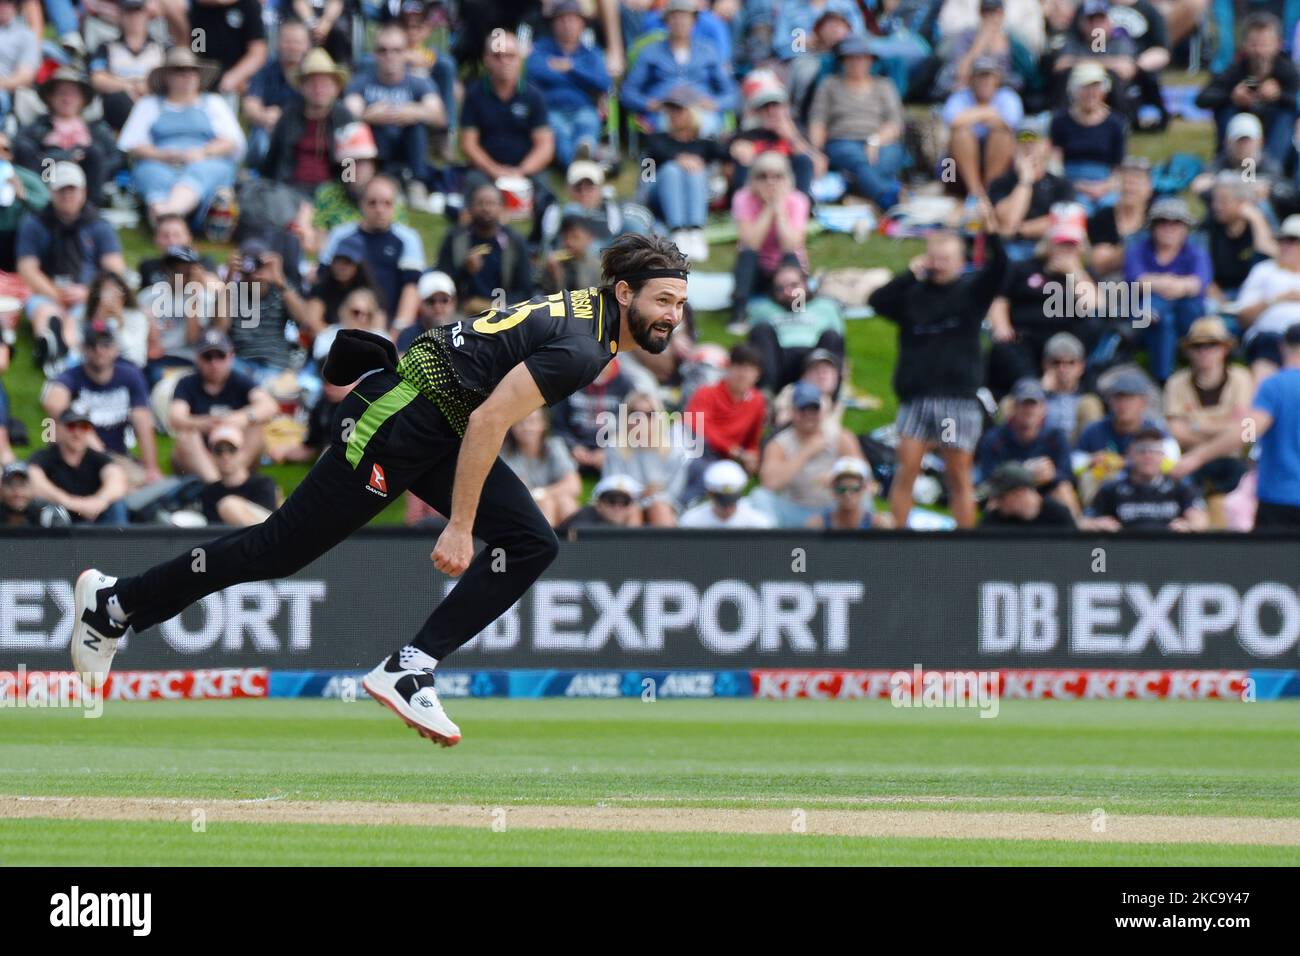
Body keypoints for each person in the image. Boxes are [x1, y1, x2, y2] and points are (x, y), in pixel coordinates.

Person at [71, 233, 693, 747]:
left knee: (532, 541)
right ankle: (114, 603)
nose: (672, 315)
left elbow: (479, 401)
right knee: (279, 549)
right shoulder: (585, 346)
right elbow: (488, 422)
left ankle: (410, 668)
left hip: (433, 420)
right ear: (623, 293)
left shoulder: (589, 315)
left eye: (680, 305)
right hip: (402, 416)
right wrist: (458, 525)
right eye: (664, 300)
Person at [868, 214, 1006, 528]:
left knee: (958, 474)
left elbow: (1000, 270)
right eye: (934, 258)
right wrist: (909, 275)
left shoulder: (971, 292)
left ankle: (963, 543)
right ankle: (895, 540)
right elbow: (876, 301)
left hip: (956, 399)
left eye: (946, 259)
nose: (939, 264)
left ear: (960, 262)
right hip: (917, 396)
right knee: (907, 470)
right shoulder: (912, 294)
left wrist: (994, 235)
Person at [1172, 322, 1300, 530]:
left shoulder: (1275, 386)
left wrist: (1197, 456)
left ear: (1282, 347)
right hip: (1281, 494)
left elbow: (1248, 431)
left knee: (1274, 562)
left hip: (1281, 496)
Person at [17, 161, 126, 372]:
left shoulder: (99, 225)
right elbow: (27, 267)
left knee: (84, 313)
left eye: (71, 190)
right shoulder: (35, 223)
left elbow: (114, 268)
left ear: (83, 192)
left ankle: (66, 352)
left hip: (87, 293)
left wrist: (88, 292)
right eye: (61, 190)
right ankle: (50, 346)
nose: (66, 196)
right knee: (45, 312)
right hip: (46, 291)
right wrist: (55, 294)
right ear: (51, 192)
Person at [117, 48, 246, 225]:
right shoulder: (149, 104)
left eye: (192, 71)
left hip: (204, 160)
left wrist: (204, 152)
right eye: (179, 71)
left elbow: (232, 141)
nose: (187, 76)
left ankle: (167, 216)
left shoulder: (213, 103)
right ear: (167, 77)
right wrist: (164, 155)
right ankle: (174, 219)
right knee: (151, 174)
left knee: (203, 172)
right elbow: (131, 143)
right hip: (160, 160)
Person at [987, 218, 1100, 397]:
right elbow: (1000, 299)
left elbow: (1093, 305)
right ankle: (1031, 391)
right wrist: (1002, 327)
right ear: (1049, 244)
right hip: (1023, 336)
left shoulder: (1085, 273)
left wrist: (1074, 273)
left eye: (1071, 245)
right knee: (1005, 350)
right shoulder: (1023, 268)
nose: (1066, 250)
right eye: (1061, 244)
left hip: (1065, 337)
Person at [42, 319, 160, 486]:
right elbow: (53, 403)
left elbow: (143, 420)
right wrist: (90, 439)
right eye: (92, 345)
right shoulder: (72, 376)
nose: (99, 350)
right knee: (56, 425)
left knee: (147, 487)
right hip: (80, 454)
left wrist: (151, 468)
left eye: (105, 344)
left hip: (117, 455)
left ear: (115, 348)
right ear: (83, 348)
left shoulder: (130, 375)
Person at [343, 23, 446, 204]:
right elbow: (347, 114)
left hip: (408, 145)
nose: (389, 56)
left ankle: (417, 184)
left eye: (397, 50)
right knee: (361, 127)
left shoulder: (419, 82)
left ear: (406, 53)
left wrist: (414, 112)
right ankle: (379, 183)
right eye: (383, 50)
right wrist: (368, 116)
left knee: (416, 124)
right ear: (375, 54)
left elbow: (440, 117)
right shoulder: (362, 81)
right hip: (376, 149)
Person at [1163, 316, 1254, 505]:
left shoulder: (1241, 378)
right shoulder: (1177, 382)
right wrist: (1226, 431)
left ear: (1224, 348)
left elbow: (1247, 433)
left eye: (1212, 345)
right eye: (1197, 346)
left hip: (1230, 463)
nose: (1204, 351)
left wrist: (1196, 426)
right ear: (1188, 351)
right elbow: (1175, 432)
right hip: (1189, 465)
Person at [808, 36, 906, 211]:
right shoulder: (829, 85)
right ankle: (888, 196)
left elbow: (895, 122)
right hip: (842, 140)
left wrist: (875, 141)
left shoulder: (884, 85)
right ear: (843, 61)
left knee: (885, 159)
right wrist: (816, 151)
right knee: (860, 161)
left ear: (870, 61)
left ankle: (868, 192)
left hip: (881, 141)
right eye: (851, 58)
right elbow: (818, 119)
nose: (856, 63)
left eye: (861, 58)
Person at [749, 381, 864, 527]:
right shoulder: (779, 444)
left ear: (821, 412)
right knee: (759, 496)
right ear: (793, 412)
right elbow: (770, 483)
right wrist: (806, 451)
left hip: (833, 512)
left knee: (863, 498)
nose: (809, 415)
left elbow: (864, 476)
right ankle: (771, 546)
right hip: (794, 510)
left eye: (814, 410)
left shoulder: (841, 438)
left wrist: (837, 477)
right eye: (803, 410)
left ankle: (860, 544)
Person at [169, 330, 277, 482]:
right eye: (208, 357)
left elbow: (269, 406)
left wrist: (241, 418)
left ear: (231, 357)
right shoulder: (187, 383)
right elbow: (176, 418)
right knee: (187, 435)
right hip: (202, 454)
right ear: (198, 359)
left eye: (220, 356)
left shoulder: (241, 380)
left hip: (236, 452)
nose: (214, 363)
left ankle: (233, 476)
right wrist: (204, 423)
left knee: (257, 428)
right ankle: (217, 484)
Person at [319, 175, 424, 330]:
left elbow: (411, 288)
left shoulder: (408, 239)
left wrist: (398, 330)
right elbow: (322, 279)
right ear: (361, 204)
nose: (379, 209)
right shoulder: (340, 235)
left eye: (387, 203)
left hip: (386, 326)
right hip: (340, 324)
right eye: (372, 203)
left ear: (395, 206)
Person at [1125, 196, 1211, 383]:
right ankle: (1164, 379)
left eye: (1176, 223)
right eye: (1162, 222)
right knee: (1165, 320)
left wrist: (1161, 286)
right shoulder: (1139, 249)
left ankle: (1154, 309)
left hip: (1187, 316)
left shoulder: (1196, 252)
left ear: (1185, 228)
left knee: (1167, 308)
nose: (1169, 228)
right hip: (1150, 325)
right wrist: (1175, 284)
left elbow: (1199, 283)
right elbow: (1134, 279)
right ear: (1152, 227)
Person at [620, 0, 736, 137]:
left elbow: (731, 93)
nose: (680, 22)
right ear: (666, 21)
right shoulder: (650, 51)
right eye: (675, 17)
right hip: (664, 114)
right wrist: (648, 104)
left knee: (707, 125)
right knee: (667, 126)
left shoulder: (708, 51)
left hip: (701, 112)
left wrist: (715, 104)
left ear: (694, 22)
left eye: (685, 17)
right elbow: (628, 92)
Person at [1196, 11, 1298, 165]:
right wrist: (1233, 96)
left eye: (1264, 44)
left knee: (1286, 113)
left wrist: (1280, 95)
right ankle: (1231, 163)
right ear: (1244, 45)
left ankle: (1272, 167)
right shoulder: (1236, 70)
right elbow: (1202, 99)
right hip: (1242, 129)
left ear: (1278, 44)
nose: (1259, 51)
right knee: (1225, 109)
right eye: (1254, 44)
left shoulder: (1287, 70)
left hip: (1276, 132)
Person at [641, 86, 729, 261]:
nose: (673, 114)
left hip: (700, 193)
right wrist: (678, 159)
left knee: (696, 170)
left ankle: (695, 231)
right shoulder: (657, 140)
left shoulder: (705, 144)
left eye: (679, 109)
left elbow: (728, 155)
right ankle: (678, 231)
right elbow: (646, 172)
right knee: (673, 170)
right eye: (670, 110)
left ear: (692, 112)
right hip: (657, 195)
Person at [14, 67, 121, 208]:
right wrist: (66, 157)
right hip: (48, 177)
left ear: (83, 100)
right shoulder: (38, 127)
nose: (67, 99)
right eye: (61, 93)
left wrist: (94, 168)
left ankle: (89, 210)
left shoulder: (96, 129)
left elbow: (116, 157)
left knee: (94, 153)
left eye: (73, 94)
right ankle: (45, 206)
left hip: (85, 183)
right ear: (50, 97)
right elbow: (24, 153)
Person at [976, 377, 1080, 513]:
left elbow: (1068, 475)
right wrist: (1024, 472)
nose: (1029, 410)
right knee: (993, 502)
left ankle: (1077, 530)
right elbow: (987, 479)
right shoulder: (994, 438)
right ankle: (989, 533)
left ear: (1044, 408)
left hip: (1046, 493)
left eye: (1034, 404)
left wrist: (1052, 474)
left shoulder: (1055, 436)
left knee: (1063, 490)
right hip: (1010, 494)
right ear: (1014, 407)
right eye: (1024, 404)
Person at [527, 0, 611, 167]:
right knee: (560, 132)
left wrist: (571, 68)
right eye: (562, 20)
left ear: (582, 24)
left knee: (586, 128)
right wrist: (581, 77)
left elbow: (603, 82)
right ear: (553, 24)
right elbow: (533, 72)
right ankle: (579, 170)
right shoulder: (540, 48)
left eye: (572, 20)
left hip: (583, 109)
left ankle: (578, 168)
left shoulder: (592, 52)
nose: (567, 25)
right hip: (550, 110)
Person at [731, 152, 810, 325]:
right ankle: (739, 315)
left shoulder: (798, 200)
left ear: (787, 178)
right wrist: (768, 208)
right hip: (756, 269)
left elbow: (792, 244)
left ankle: (798, 310)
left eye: (777, 176)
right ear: (753, 179)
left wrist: (780, 210)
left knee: (791, 258)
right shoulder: (743, 198)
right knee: (747, 254)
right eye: (763, 176)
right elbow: (750, 242)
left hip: (786, 267)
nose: (770, 182)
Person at [683, 342, 766, 502]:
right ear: (728, 368)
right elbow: (699, 427)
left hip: (728, 459)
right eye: (739, 366)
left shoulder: (757, 401)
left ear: (758, 374)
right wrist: (732, 450)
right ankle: (681, 506)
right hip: (698, 451)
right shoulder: (706, 393)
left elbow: (752, 440)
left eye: (750, 369)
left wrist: (751, 457)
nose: (743, 374)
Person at [1081, 426, 1207, 530]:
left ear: (1163, 456)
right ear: (1129, 454)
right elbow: (1083, 522)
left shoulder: (1180, 488)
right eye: (1142, 450)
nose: (1148, 456)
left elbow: (1201, 520)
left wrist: (1190, 525)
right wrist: (1096, 524)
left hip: (1168, 552)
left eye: (1154, 450)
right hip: (1123, 552)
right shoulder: (1111, 490)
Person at [435, 182, 531, 316]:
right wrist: (465, 271)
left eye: (491, 203)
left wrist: (493, 307)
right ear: (470, 207)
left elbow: (525, 290)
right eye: (480, 203)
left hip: (505, 313)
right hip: (461, 313)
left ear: (501, 208)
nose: (486, 208)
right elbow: (441, 282)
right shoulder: (455, 238)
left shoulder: (515, 242)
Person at [745, 263, 844, 391]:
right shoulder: (762, 310)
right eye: (780, 288)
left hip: (814, 358)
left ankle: (825, 396)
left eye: (793, 286)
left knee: (831, 336)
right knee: (761, 330)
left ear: (806, 284)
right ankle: (766, 394)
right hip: (776, 360)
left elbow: (839, 349)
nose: (787, 292)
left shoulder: (826, 307)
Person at [990, 114, 1075, 261]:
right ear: (1014, 146)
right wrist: (1025, 181)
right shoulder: (1001, 183)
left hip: (1048, 246)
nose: (1028, 146)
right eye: (1023, 140)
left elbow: (1060, 221)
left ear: (1046, 145)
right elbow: (1008, 219)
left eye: (1034, 140)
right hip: (1011, 249)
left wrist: (1017, 231)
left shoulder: (1061, 184)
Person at [600, 389, 691, 525]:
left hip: (663, 508)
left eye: (649, 414)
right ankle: (629, 547)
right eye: (636, 414)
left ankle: (666, 547)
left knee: (659, 508)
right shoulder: (615, 448)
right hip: (623, 505)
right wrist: (644, 492)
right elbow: (613, 487)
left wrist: (648, 496)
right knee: (632, 510)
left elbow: (674, 494)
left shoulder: (674, 451)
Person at [27, 407, 130, 525]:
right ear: (60, 429)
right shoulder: (45, 456)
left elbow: (116, 479)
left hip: (95, 518)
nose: (77, 433)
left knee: (117, 505)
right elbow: (34, 481)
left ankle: (118, 542)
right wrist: (70, 502)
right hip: (59, 523)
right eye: (71, 426)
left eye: (84, 427)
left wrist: (100, 501)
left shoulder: (97, 458)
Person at [941, 56, 1022, 201]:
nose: (985, 81)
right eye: (980, 76)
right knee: (960, 134)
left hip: (1001, 166)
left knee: (1001, 135)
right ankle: (975, 194)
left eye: (989, 76)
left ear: (997, 79)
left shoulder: (1008, 96)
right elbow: (953, 122)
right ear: (971, 79)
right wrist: (988, 112)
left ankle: (990, 192)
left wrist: (972, 115)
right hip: (953, 171)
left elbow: (1009, 124)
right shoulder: (959, 97)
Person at [1231, 214, 1300, 380]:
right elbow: (1243, 317)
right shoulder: (1263, 270)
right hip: (1269, 337)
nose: (1285, 245)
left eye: (1292, 240)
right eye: (1282, 240)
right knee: (1268, 347)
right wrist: (1275, 299)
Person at [1050, 63, 1127, 210]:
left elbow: (1118, 168)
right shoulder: (1060, 121)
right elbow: (1055, 164)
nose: (1091, 93)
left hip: (1104, 182)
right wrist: (1078, 186)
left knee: (1111, 208)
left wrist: (1104, 187)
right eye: (1085, 87)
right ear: (1074, 90)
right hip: (1071, 180)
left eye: (1095, 87)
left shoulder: (1115, 123)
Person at [87, 0, 168, 132]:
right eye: (129, 12)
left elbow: (169, 78)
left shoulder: (162, 47)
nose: (134, 17)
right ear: (121, 15)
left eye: (138, 11)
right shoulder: (106, 47)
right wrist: (129, 87)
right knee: (117, 101)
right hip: (118, 109)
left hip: (154, 105)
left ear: (147, 14)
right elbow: (97, 78)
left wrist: (147, 87)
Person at [242, 17, 311, 168]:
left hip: (304, 130)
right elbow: (250, 105)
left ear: (307, 46)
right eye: (287, 41)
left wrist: (284, 119)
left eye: (297, 42)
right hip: (268, 128)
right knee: (260, 143)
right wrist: (264, 116)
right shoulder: (265, 71)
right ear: (278, 43)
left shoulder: (313, 74)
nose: (291, 46)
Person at [1203, 173, 1277, 307]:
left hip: (1255, 294)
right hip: (1222, 294)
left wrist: (1256, 218)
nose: (1217, 206)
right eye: (1215, 201)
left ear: (1242, 203)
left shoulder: (1258, 225)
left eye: (1223, 201)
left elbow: (1270, 253)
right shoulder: (1209, 227)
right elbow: (1203, 267)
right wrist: (1217, 296)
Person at [500, 408, 581, 528]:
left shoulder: (555, 446)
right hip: (519, 509)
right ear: (512, 427)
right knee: (545, 505)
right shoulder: (504, 453)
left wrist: (541, 493)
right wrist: (542, 498)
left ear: (543, 424)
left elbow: (574, 486)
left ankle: (574, 545)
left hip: (552, 503)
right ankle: (544, 545)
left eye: (532, 421)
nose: (527, 428)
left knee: (567, 503)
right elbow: (512, 494)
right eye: (521, 423)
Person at [199, 424, 280, 526]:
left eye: (232, 449)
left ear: (243, 452)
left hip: (265, 535)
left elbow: (269, 522)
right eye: (218, 451)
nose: (225, 456)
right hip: (234, 539)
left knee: (229, 505)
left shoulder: (263, 484)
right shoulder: (209, 492)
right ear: (211, 456)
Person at [1086, 156, 1153, 279]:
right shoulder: (1103, 217)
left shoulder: (1157, 218)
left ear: (1149, 188)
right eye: (1126, 181)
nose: (1130, 188)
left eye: (1137, 182)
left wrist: (1116, 253)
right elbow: (1099, 265)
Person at [679, 458, 773, 528]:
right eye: (723, 502)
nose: (728, 508)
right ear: (710, 494)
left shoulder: (758, 524)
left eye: (733, 500)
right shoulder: (691, 522)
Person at [979, 461, 1077, 528]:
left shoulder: (1057, 516)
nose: (996, 502)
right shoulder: (994, 519)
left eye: (1000, 497)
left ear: (1019, 495)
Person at [805, 456, 890, 529]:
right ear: (833, 489)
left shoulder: (877, 524)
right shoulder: (818, 524)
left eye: (855, 489)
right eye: (841, 489)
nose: (847, 494)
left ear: (863, 490)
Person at [397, 270, 459, 354]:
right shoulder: (407, 335)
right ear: (420, 304)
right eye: (431, 301)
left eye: (445, 300)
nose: (438, 307)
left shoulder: (463, 334)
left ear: (454, 302)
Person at [556, 473, 645, 530]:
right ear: (598, 504)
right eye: (612, 500)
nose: (618, 507)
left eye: (626, 501)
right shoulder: (582, 522)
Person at [0, 0, 39, 124]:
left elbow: (25, 76)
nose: (3, 6)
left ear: (16, 6)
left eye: (8, 2)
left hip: (4, 91)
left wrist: (2, 83)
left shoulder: (25, 35)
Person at [0, 460, 71, 526]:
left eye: (23, 485)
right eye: (11, 485)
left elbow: (66, 538)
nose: (17, 492)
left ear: (33, 488)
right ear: (2, 488)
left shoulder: (49, 514)